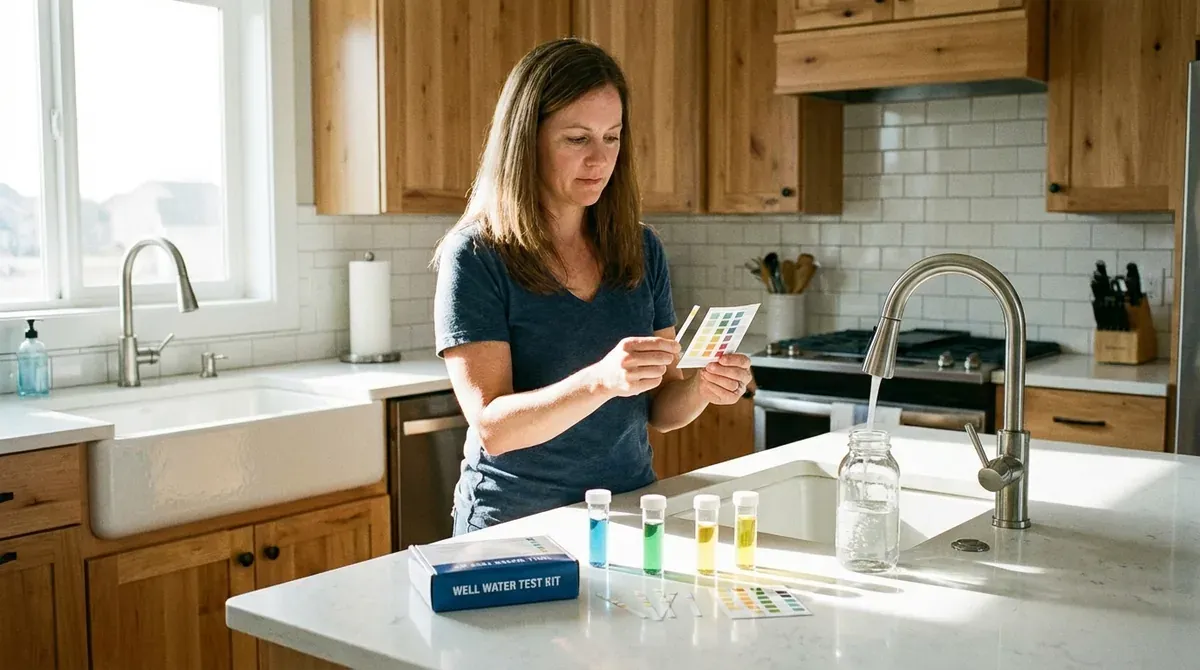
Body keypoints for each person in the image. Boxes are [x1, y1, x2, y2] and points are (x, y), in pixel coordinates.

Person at [432, 38, 753, 535]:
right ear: (527, 140)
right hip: (516, 525)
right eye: (577, 139)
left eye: (612, 137)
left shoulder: (640, 249)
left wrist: (702, 388)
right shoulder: (477, 256)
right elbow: (493, 427)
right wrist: (600, 381)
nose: (600, 160)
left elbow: (661, 408)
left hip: (628, 511)